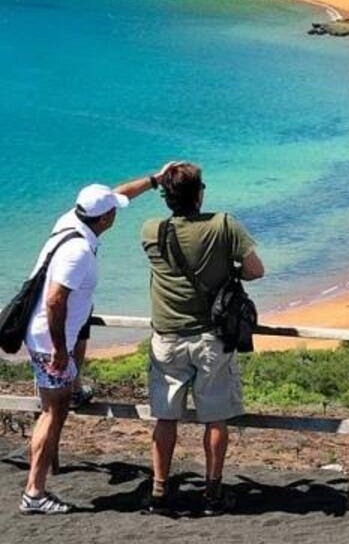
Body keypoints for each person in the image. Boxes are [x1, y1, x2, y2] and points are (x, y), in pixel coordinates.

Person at [17, 168, 171, 515]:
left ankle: (73, 388)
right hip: (49, 341)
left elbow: (119, 194)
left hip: (48, 334)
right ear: (104, 218)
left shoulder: (73, 218)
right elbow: (55, 300)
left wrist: (155, 180)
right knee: (52, 414)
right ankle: (35, 493)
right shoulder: (79, 253)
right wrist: (59, 351)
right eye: (113, 210)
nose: (117, 210)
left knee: (57, 404)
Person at [139, 162, 264, 515]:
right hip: (211, 336)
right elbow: (256, 270)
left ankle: (160, 490)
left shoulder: (151, 231)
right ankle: (212, 492)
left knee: (165, 418)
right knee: (215, 418)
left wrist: (153, 180)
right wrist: (227, 271)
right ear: (200, 193)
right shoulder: (224, 224)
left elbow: (116, 200)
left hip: (167, 336)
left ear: (165, 196)